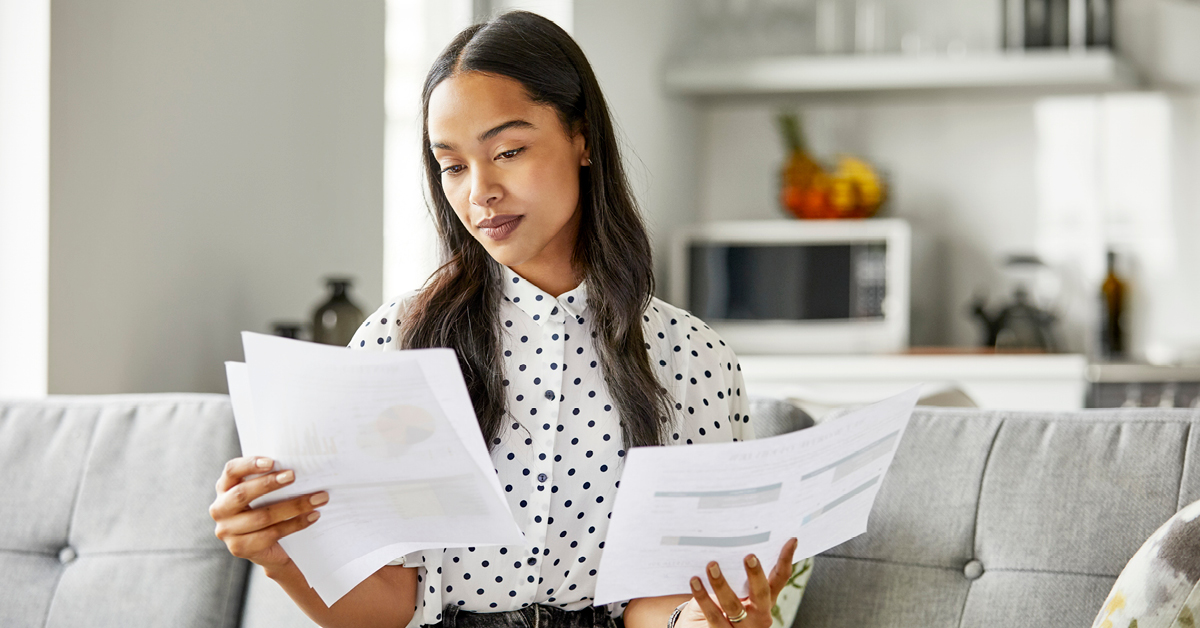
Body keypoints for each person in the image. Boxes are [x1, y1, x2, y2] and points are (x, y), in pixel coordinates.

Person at [209, 10, 798, 628]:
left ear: (583, 138)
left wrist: (710, 622)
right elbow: (391, 606)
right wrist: (278, 555)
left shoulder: (691, 355)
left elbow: (657, 602)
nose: (479, 191)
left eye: (509, 151)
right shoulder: (394, 342)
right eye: (453, 165)